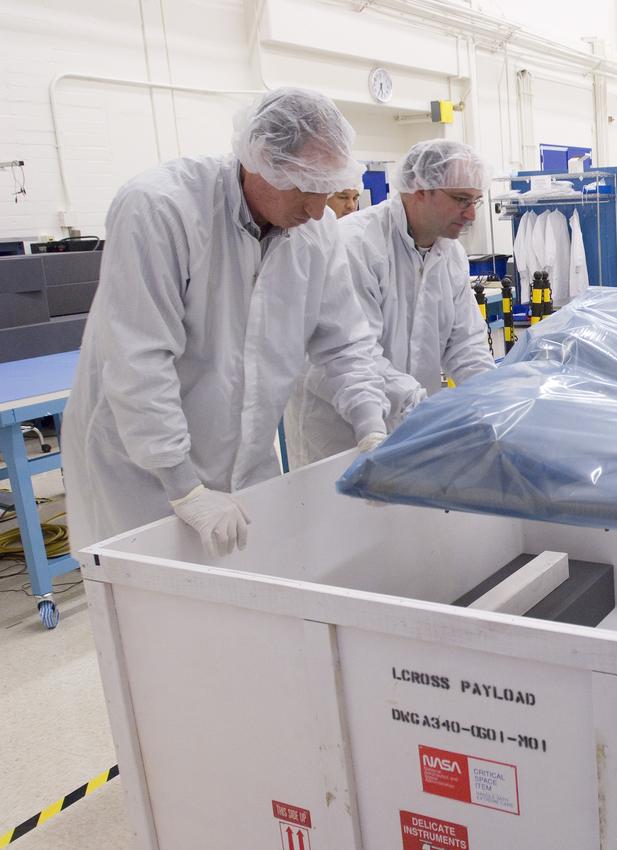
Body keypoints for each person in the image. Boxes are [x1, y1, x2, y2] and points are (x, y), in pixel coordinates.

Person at [62, 88, 390, 559]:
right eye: (306, 187)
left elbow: (346, 345)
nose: (319, 210)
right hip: (143, 471)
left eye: (328, 190)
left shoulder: (313, 233)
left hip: (242, 458)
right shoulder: (161, 208)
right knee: (148, 609)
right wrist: (183, 487)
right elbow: (139, 357)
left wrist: (371, 427)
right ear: (261, 161)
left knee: (244, 605)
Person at [284, 139, 496, 466]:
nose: (470, 213)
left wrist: (491, 399)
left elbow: (465, 342)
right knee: (339, 514)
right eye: (460, 199)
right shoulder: (357, 245)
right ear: (419, 191)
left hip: (409, 423)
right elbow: (351, 352)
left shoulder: (450, 253)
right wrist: (420, 405)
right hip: (337, 431)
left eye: (475, 201)